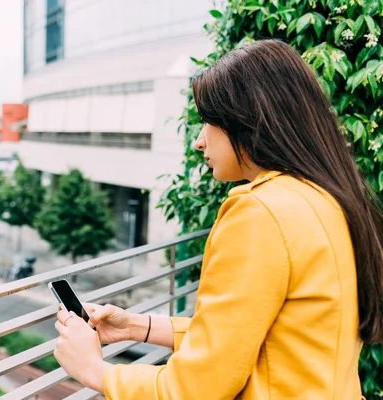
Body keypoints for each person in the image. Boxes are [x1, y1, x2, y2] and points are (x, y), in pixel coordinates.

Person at [53, 39, 383, 399]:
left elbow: (194, 389)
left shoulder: (260, 214)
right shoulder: (326, 198)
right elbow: (256, 337)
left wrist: (93, 370)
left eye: (208, 122)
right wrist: (136, 325)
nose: (199, 141)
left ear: (248, 121)